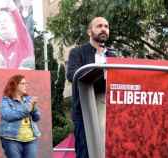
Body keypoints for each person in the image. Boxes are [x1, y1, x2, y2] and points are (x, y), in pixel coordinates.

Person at [66, 17, 116, 158]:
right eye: (99, 26)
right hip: (85, 109)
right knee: (86, 152)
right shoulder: (78, 52)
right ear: (89, 31)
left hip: (109, 110)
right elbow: (72, 75)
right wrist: (99, 74)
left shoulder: (113, 55)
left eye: (106, 26)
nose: (103, 29)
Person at [0, 74, 41, 158]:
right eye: (23, 83)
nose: (26, 85)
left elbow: (37, 118)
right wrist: (28, 108)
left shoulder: (28, 99)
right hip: (11, 139)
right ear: (15, 85)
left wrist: (34, 108)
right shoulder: (6, 101)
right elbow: (8, 116)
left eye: (26, 83)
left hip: (31, 139)